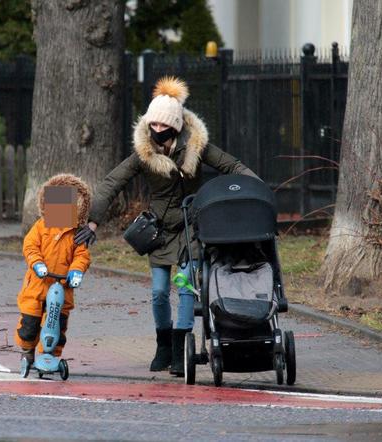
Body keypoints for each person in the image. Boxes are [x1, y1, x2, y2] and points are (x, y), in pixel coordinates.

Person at [75, 76, 257, 376]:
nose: (158, 131)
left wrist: (256, 189)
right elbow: (111, 183)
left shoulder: (197, 148)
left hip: (191, 226)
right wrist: (93, 221)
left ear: (176, 126)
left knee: (185, 285)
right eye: (153, 126)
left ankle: (179, 348)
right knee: (159, 291)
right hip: (158, 231)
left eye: (164, 126)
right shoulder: (143, 154)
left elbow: (232, 166)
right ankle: (162, 343)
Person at [15, 173, 91, 365]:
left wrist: (76, 271)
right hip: (37, 285)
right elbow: (30, 246)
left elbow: (82, 256)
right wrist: (37, 263)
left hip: (62, 286)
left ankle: (52, 355)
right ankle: (27, 350)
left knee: (58, 323)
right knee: (30, 323)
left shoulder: (75, 234)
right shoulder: (41, 227)